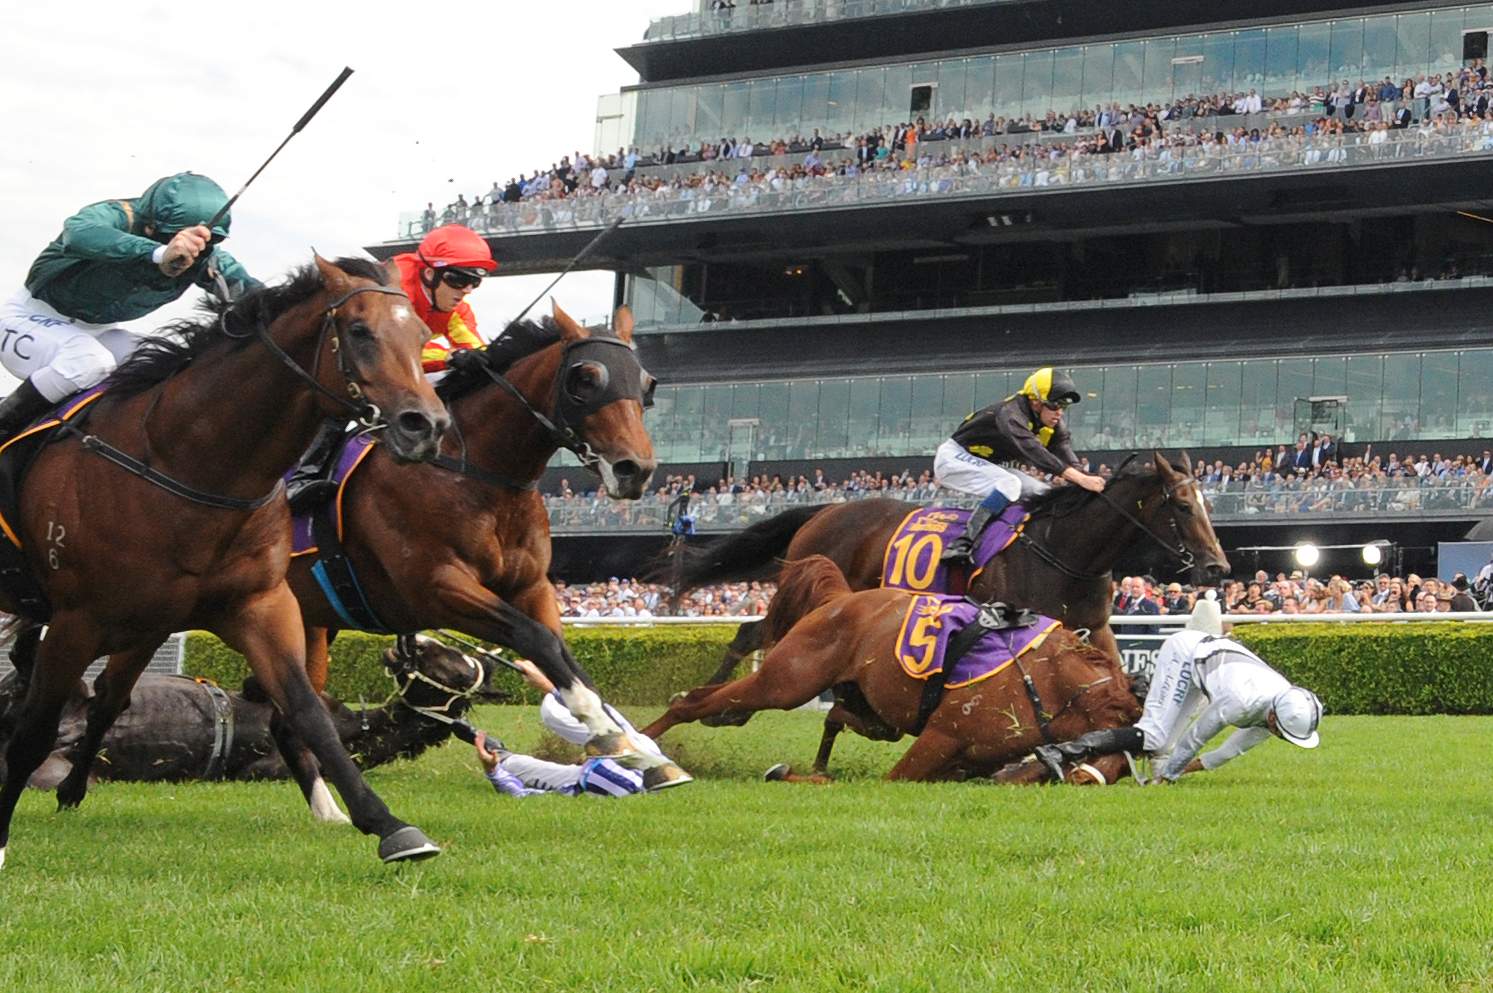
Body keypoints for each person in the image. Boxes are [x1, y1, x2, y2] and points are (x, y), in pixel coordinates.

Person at [0, 172, 258, 442]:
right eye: (169, 237)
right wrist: (158, 253)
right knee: (88, 362)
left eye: (207, 243)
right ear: (149, 226)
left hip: (97, 332)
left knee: (168, 363)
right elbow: (79, 234)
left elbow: (255, 295)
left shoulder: (206, 258)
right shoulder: (115, 215)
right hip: (27, 318)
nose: (187, 250)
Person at [285, 224, 496, 508]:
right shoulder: (394, 289)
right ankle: (303, 476)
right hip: (342, 359)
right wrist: (448, 356)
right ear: (430, 273)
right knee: (344, 401)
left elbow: (474, 347)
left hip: (388, 363)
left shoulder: (457, 308)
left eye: (474, 282)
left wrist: (479, 358)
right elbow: (391, 350)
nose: (466, 291)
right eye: (458, 279)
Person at [1032, 598, 1322, 783]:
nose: (1279, 736)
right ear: (1273, 717)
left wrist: (1182, 770)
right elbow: (1197, 737)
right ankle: (1061, 751)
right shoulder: (1241, 702)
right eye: (1281, 732)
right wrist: (1169, 776)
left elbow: (1231, 750)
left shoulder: (1277, 707)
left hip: (1205, 669)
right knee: (1154, 735)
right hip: (1185, 652)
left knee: (1161, 746)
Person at [934, 367, 1105, 565]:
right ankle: (961, 544)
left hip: (987, 463)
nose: (1059, 412)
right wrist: (1081, 479)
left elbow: (1064, 451)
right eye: (1054, 405)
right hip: (954, 458)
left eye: (1063, 407)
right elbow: (1035, 452)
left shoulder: (1052, 422)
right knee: (1009, 484)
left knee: (1042, 492)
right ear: (1035, 401)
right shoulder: (1011, 414)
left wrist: (1088, 478)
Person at [473, 654, 690, 796]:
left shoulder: (604, 781)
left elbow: (522, 794)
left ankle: (499, 754)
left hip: (588, 778)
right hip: (606, 772)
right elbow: (607, 718)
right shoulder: (642, 749)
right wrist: (548, 686)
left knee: (515, 762)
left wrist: (493, 771)